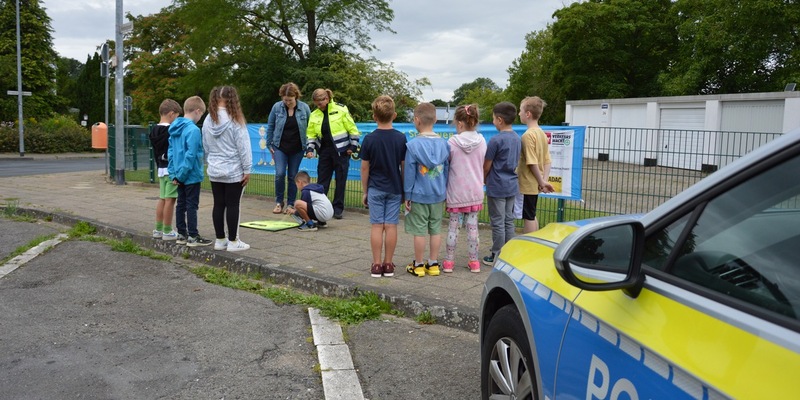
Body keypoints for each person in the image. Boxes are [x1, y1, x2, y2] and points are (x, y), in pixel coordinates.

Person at [360, 95, 407, 278]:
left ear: (374, 116)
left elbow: (365, 167)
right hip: (395, 188)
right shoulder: (401, 138)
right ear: (394, 115)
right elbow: (404, 166)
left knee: (377, 226)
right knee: (391, 225)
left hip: (375, 188)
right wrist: (404, 189)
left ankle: (376, 264)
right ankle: (388, 264)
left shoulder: (369, 139)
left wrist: (365, 191)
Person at [202, 86, 253, 252]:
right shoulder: (235, 119)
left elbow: (206, 145)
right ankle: (233, 241)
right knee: (233, 205)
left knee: (218, 204)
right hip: (233, 169)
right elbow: (244, 147)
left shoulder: (209, 119)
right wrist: (247, 169)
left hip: (215, 168)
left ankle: (220, 240)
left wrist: (212, 160)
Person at [404, 102, 450, 277]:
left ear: (417, 120)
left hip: (418, 195)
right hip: (438, 195)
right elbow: (446, 171)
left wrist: (407, 195)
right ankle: (433, 263)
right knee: (436, 229)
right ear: (435, 119)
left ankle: (418, 264)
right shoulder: (444, 145)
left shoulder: (412, 145)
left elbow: (409, 173)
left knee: (419, 231)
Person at [443, 104, 487, 273]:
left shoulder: (452, 143)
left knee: (453, 227)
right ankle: (474, 262)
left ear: (460, 123)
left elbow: (447, 163)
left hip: (456, 192)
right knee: (473, 227)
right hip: (474, 191)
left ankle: (449, 262)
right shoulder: (482, 141)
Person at [305, 88, 360, 220]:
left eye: (321, 102)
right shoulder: (314, 114)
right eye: (317, 103)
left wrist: (353, 146)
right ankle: (321, 207)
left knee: (341, 180)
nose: (320, 106)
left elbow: (352, 128)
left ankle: (338, 208)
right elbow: (311, 134)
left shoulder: (341, 109)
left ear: (327, 98)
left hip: (341, 151)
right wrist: (310, 149)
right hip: (324, 151)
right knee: (322, 181)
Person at [482, 101, 521, 266]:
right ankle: (509, 253)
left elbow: (487, 165)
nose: (493, 121)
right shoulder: (517, 138)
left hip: (497, 186)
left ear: (499, 120)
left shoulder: (495, 140)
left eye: (493, 118)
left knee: (497, 221)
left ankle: (496, 254)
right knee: (508, 220)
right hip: (512, 185)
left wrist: (483, 178)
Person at [168, 95, 210, 247]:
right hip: (191, 175)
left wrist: (174, 174)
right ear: (197, 111)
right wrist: (182, 175)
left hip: (178, 175)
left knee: (181, 204)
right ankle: (193, 235)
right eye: (201, 115)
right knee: (192, 205)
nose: (200, 118)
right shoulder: (193, 130)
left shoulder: (174, 128)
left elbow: (170, 153)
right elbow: (191, 155)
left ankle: (181, 234)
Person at [266, 82, 312, 215]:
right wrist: (269, 144)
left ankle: (291, 203)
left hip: (297, 148)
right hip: (279, 147)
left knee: (293, 176)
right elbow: (271, 126)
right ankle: (279, 202)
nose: (287, 102)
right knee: (280, 173)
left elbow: (310, 128)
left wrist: (309, 147)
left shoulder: (304, 108)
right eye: (285, 100)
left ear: (296, 96)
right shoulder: (276, 107)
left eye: (290, 100)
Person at [518, 96, 555, 233]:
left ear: (528, 114)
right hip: (536, 183)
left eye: (520, 110)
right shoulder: (542, 134)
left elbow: (531, 162)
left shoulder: (527, 136)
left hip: (527, 183)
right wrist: (543, 181)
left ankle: (529, 243)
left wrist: (541, 182)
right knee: (532, 214)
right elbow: (547, 161)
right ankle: (535, 240)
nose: (519, 113)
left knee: (528, 216)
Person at [149, 99, 181, 241]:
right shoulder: (171, 130)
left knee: (162, 198)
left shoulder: (154, 130)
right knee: (170, 200)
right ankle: (168, 230)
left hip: (161, 169)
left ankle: (158, 229)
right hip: (171, 170)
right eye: (177, 117)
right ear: (171, 114)